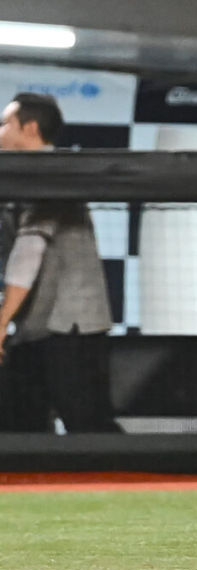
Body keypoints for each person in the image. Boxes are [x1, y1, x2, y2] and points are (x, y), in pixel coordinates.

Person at [0, 93, 117, 433]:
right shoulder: (19, 176)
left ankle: (136, 482)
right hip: (34, 325)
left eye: (6, 122)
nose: (0, 130)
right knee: (21, 425)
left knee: (88, 425)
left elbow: (29, 249)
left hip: (71, 326)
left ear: (30, 128)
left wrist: (1, 321)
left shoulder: (55, 172)